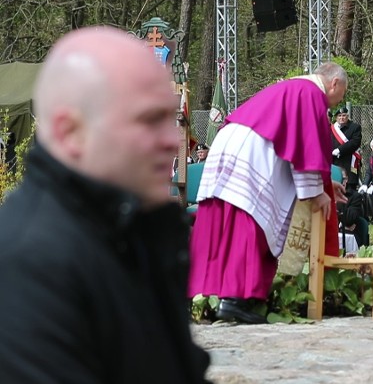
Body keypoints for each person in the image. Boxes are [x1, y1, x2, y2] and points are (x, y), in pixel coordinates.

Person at [0, 27, 210, 382]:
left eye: (170, 118)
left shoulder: (136, 229)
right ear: (70, 132)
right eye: (148, 119)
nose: (171, 140)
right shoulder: (29, 264)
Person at [188, 62, 348, 324]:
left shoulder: (293, 87)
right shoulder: (312, 94)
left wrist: (326, 186)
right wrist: (317, 194)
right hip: (252, 153)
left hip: (230, 144)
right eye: (340, 96)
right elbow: (308, 147)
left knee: (221, 222)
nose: (335, 104)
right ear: (334, 84)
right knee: (247, 226)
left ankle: (208, 294)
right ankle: (236, 300)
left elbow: (300, 146)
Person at [330, 106, 362, 193]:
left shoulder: (355, 127)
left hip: (350, 161)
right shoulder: (332, 129)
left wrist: (340, 150)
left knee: (350, 188)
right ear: (336, 117)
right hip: (336, 162)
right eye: (339, 116)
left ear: (347, 116)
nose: (341, 118)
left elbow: (355, 142)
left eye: (344, 115)